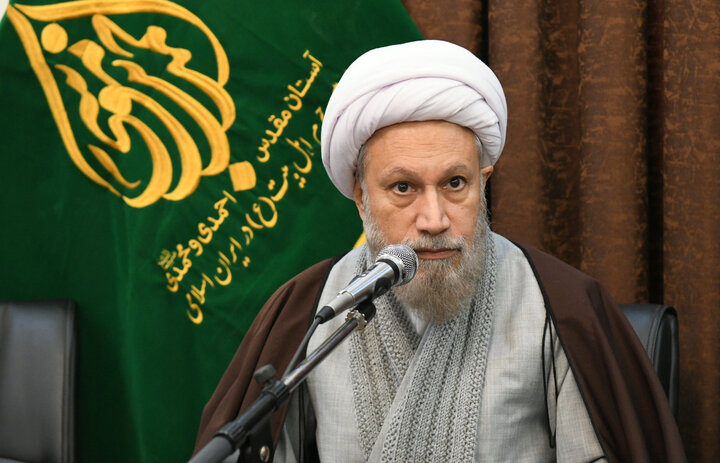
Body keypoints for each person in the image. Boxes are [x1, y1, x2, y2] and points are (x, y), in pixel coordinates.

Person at [194, 40, 685, 462]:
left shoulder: (561, 306)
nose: (434, 219)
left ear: (483, 182)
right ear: (361, 196)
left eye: (454, 183)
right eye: (403, 187)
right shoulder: (307, 312)